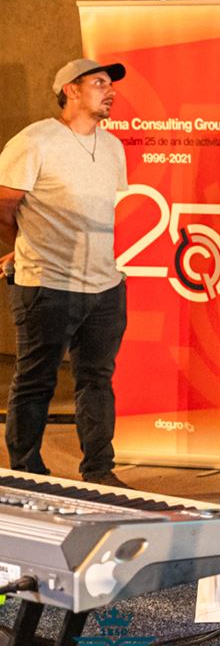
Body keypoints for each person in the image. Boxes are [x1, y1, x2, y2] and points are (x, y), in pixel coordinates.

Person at [0, 58, 132, 486]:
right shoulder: (34, 141)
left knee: (97, 379)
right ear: (70, 90)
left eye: (110, 85)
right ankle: (27, 474)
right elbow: (4, 205)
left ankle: (99, 471)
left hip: (105, 286)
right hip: (47, 285)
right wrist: (25, 245)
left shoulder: (112, 146)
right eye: (99, 83)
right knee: (36, 380)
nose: (110, 91)